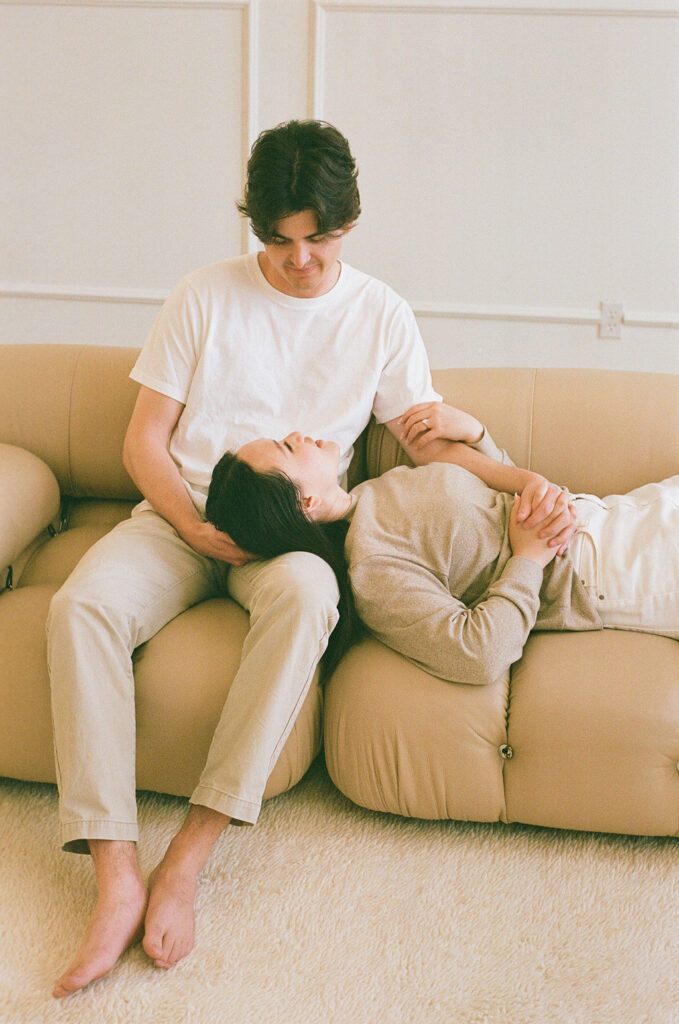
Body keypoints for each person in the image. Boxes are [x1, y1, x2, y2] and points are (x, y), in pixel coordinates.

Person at [45, 119, 577, 999]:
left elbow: (427, 446)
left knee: (306, 598)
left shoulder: (379, 314)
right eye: (280, 241)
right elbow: (143, 440)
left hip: (290, 534)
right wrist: (191, 525)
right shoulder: (202, 296)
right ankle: (115, 872)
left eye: (318, 240)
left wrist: (520, 475)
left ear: (348, 224)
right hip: (179, 514)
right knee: (79, 606)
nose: (300, 261)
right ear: (257, 226)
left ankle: (189, 853)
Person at [204, 418, 678, 687]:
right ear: (304, 503)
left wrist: (476, 436)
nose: (300, 433)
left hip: (619, 512)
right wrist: (528, 559)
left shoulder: (374, 491)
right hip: (608, 568)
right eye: (288, 447)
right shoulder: (373, 565)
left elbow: (496, 513)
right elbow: (477, 655)